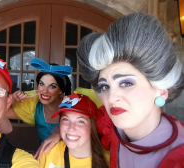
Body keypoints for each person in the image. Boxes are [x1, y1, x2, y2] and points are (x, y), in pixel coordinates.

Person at [77, 12, 184, 168]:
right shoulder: (114, 124)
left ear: (161, 89)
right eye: (105, 86)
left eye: (126, 83)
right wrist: (60, 132)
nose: (111, 98)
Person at [6, 58, 72, 142]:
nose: (44, 91)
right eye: (41, 84)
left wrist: (59, 133)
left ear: (60, 90)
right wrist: (12, 99)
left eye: (52, 86)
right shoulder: (34, 108)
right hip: (45, 155)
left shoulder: (72, 107)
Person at [38, 93, 108, 168]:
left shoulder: (111, 159)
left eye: (80, 121)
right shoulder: (48, 152)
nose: (71, 128)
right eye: (65, 119)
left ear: (92, 126)